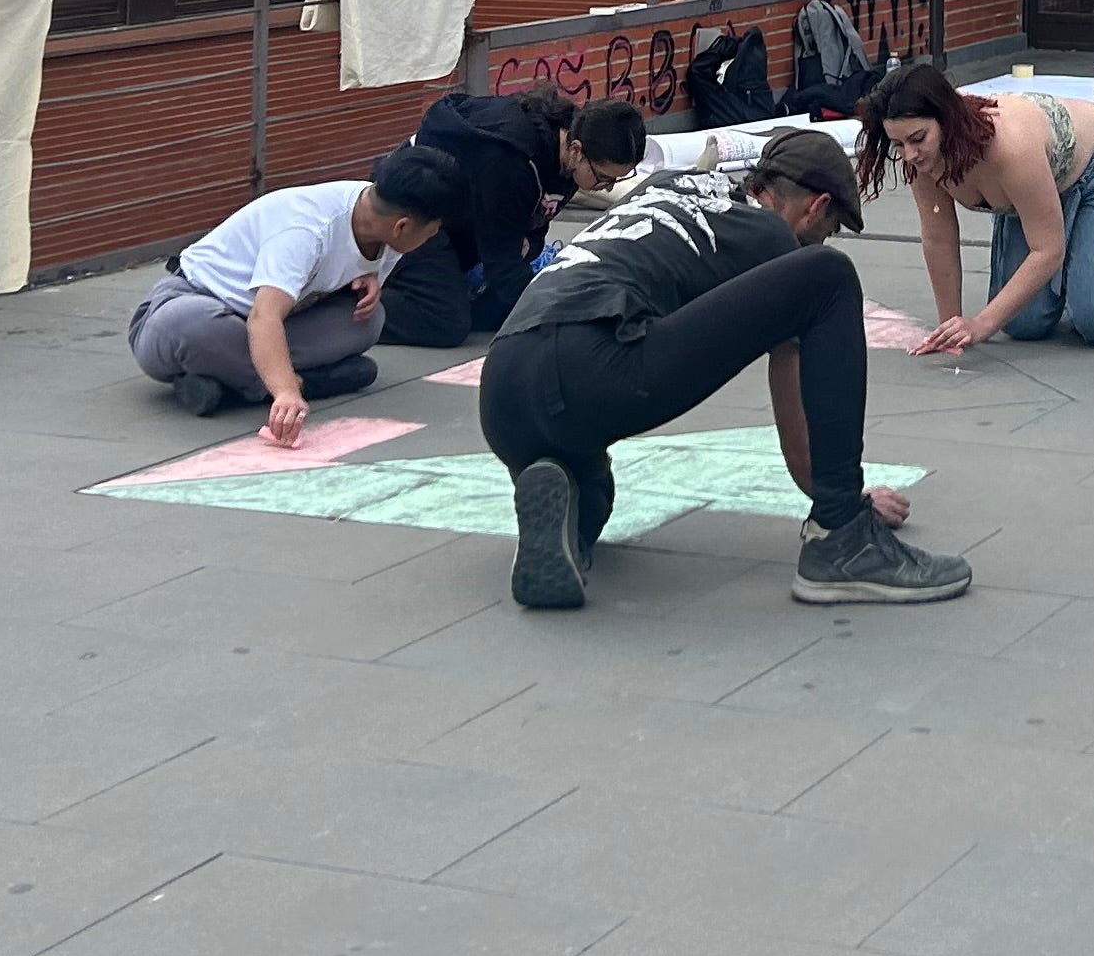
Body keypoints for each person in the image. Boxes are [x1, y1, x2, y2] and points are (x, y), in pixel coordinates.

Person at [477, 124, 971, 611]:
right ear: (816, 206)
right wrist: (845, 499)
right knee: (829, 278)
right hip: (590, 363)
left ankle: (571, 527)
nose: (821, 238)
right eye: (829, 229)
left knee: (590, 493)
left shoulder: (667, 186)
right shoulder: (772, 236)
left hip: (503, 389)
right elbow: (796, 418)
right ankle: (842, 542)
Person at [129, 144, 463, 441]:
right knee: (190, 324)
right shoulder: (307, 228)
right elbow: (264, 317)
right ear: (402, 225)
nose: (433, 238)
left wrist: (366, 278)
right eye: (432, 231)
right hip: (193, 305)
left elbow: (346, 268)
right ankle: (300, 382)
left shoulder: (383, 219)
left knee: (368, 319)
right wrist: (287, 392)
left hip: (278, 322)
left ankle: (231, 385)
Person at [858, 61, 1094, 348]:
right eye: (898, 144)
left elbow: (1048, 249)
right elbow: (938, 237)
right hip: (1033, 192)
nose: (910, 154)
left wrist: (982, 325)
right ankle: (1087, 253)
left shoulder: (1008, 146)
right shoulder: (923, 159)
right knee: (1023, 324)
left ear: (947, 120)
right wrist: (951, 327)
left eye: (917, 138)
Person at [380, 85, 650, 346]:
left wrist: (526, 247)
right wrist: (559, 318)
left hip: (461, 223)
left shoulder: (566, 160)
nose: (607, 188)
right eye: (603, 178)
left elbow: (532, 232)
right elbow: (503, 264)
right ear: (577, 149)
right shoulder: (512, 160)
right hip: (414, 217)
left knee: (499, 307)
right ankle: (359, 306)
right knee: (448, 322)